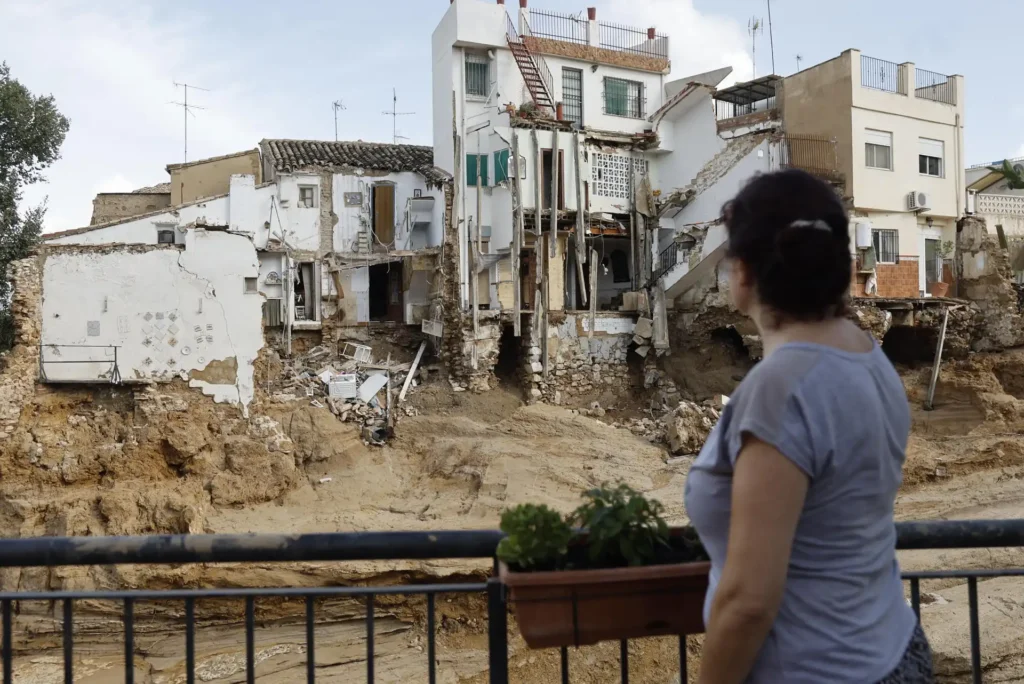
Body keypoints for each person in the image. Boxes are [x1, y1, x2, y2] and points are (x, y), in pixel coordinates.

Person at [684, 169, 934, 683]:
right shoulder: (868, 356)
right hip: (894, 647)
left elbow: (750, 601)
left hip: (817, 669)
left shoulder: (782, 388)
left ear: (745, 272)